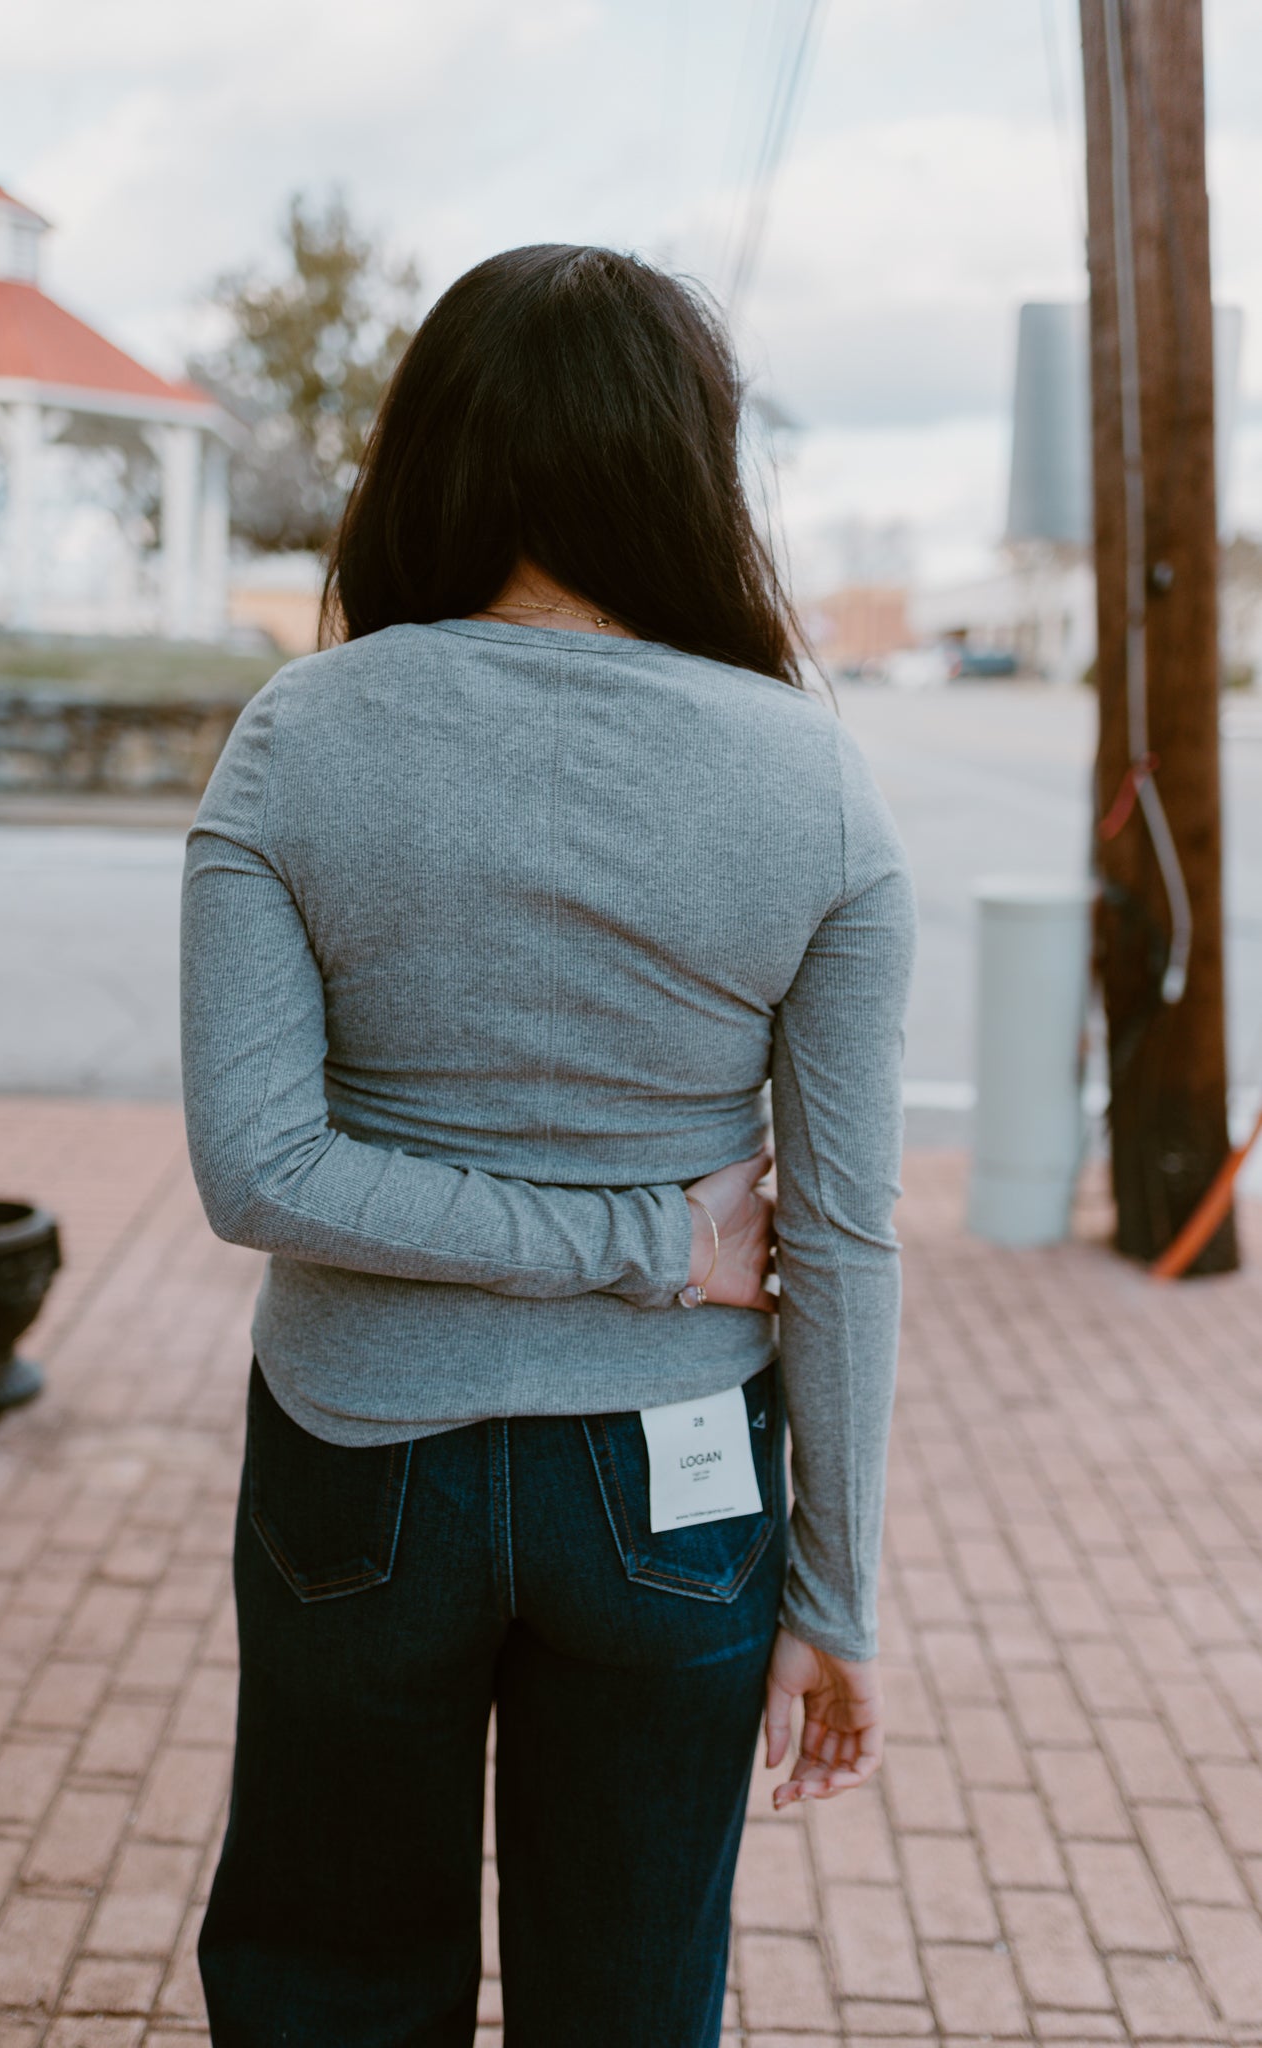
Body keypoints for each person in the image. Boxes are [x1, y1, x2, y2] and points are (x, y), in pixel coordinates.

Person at [181, 243, 916, 2048]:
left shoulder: (297, 741)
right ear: (689, 468)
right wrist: (834, 1594)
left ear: (434, 449)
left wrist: (627, 1243)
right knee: (634, 1999)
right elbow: (841, 1231)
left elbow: (259, 1172)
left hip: (363, 1459)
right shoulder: (813, 780)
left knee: (328, 1984)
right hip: (675, 1483)